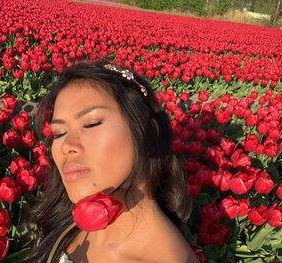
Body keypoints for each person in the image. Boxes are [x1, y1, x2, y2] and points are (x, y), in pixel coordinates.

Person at [22, 61, 199, 263]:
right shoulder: (68, 223)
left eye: (91, 123)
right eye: (59, 133)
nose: (66, 146)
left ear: (148, 134)